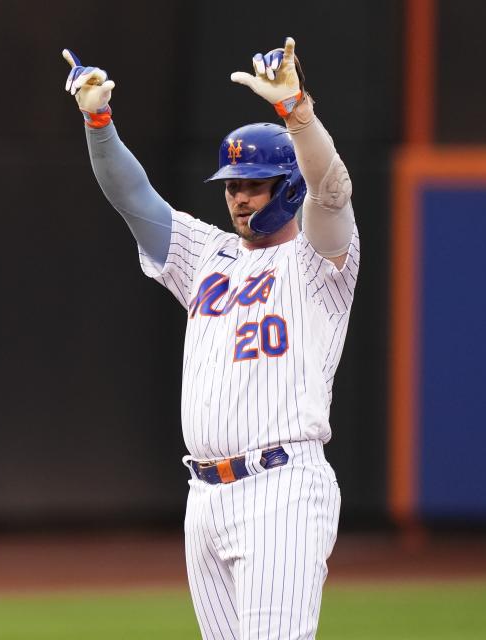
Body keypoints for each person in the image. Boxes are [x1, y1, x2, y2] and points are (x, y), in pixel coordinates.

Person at [62, 36, 359, 639]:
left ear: (288, 187)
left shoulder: (320, 258)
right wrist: (99, 122)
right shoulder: (208, 255)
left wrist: (297, 113)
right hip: (205, 497)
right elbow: (133, 197)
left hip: (281, 490)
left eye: (254, 185)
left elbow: (332, 188)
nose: (239, 198)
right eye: (231, 185)